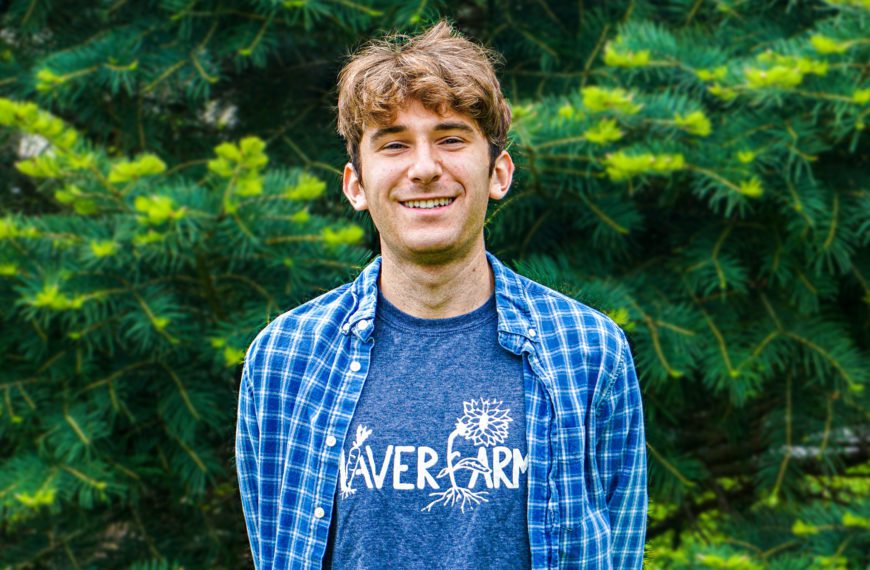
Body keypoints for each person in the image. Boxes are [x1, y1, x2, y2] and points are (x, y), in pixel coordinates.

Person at [235, 21, 647, 570]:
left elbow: (619, 551)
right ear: (356, 185)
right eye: (394, 144)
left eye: (451, 139)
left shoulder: (587, 351)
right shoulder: (286, 358)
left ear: (498, 173)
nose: (425, 168)